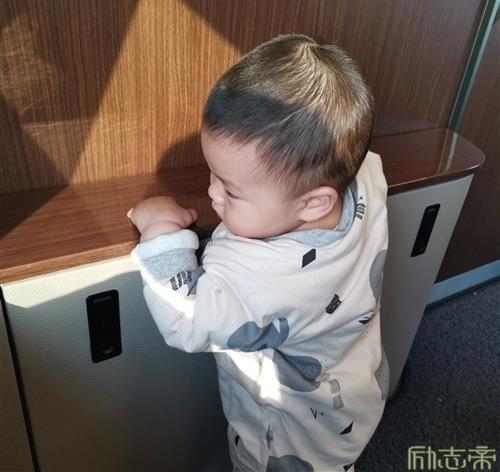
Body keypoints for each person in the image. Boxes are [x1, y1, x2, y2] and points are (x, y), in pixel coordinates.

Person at [128, 33, 389, 472]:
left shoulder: (267, 280)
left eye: (230, 190)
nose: (212, 193)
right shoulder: (366, 175)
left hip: (285, 438)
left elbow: (186, 320)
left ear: (313, 203)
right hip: (355, 398)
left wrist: (159, 230)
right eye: (212, 173)